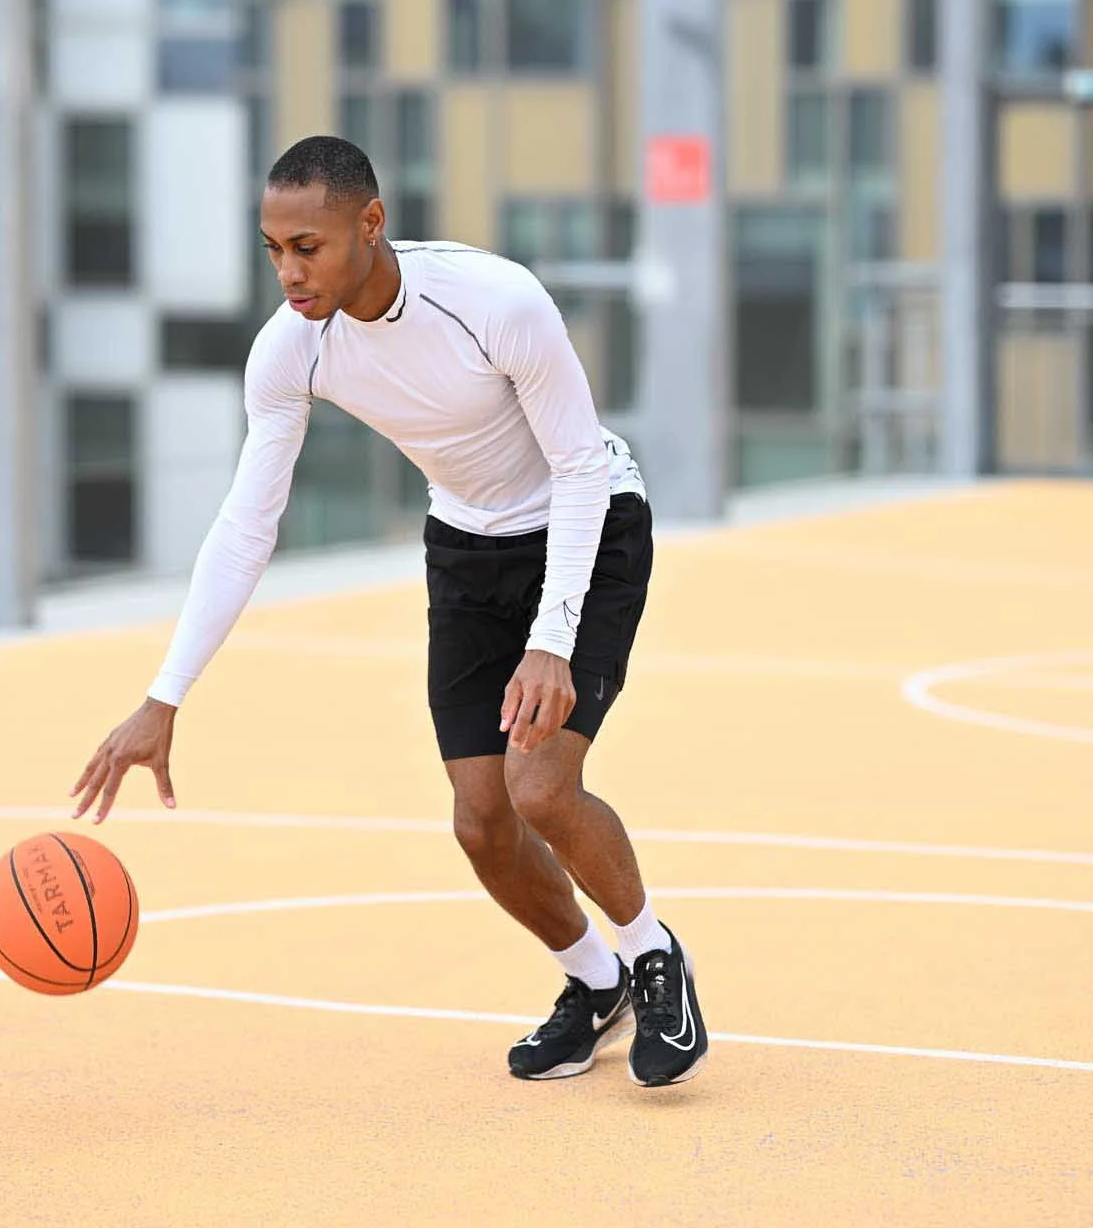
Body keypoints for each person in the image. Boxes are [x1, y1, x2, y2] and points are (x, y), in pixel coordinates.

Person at [67, 135, 708, 1089]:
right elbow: (249, 523)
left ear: (370, 224)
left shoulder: (496, 301)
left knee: (540, 787)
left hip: (590, 523)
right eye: (273, 248)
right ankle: (594, 980)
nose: (289, 271)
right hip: (466, 547)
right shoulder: (290, 348)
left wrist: (551, 640)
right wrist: (165, 697)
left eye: (308, 245)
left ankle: (657, 959)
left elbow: (577, 466)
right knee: (483, 824)